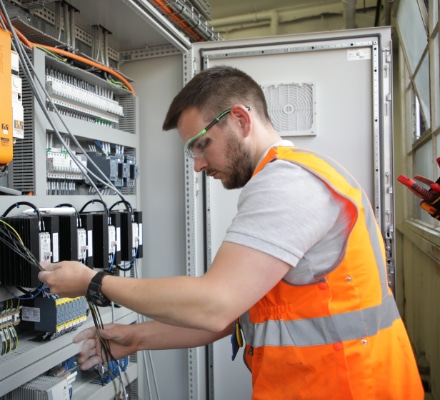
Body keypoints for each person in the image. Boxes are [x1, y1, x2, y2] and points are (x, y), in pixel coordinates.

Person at [38, 66, 423, 399]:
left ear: (240, 120)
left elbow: (214, 303)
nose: (198, 165)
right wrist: (136, 338)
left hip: (349, 388)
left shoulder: (287, 184)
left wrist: (94, 282)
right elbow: (233, 314)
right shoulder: (297, 173)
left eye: (201, 145)